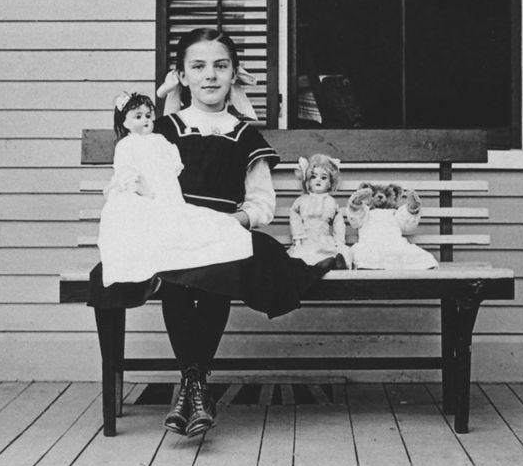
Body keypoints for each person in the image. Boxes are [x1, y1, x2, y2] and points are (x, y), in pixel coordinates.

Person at [88, 28, 333, 438]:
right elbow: (135, 176)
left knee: (217, 264)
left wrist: (228, 223)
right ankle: (196, 385)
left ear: (234, 74)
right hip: (171, 230)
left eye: (220, 66)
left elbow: (261, 205)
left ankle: (192, 385)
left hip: (223, 230)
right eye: (197, 67)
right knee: (185, 269)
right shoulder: (161, 130)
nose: (210, 76)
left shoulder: (244, 135)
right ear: (182, 76)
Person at [97, 91, 253, 286]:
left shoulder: (160, 140)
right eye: (138, 117)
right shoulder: (126, 145)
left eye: (148, 115)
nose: (145, 120)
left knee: (181, 219)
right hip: (143, 190)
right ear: (125, 123)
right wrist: (139, 187)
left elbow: (172, 166)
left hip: (166, 189)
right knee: (144, 219)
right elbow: (125, 171)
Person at [287, 154, 352, 268]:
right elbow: (295, 217)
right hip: (306, 239)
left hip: (325, 239)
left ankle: (333, 263)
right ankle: (320, 265)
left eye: (323, 177)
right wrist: (298, 236)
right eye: (314, 176)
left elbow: (338, 223)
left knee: (339, 251)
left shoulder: (331, 202)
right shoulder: (301, 200)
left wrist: (339, 241)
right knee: (302, 254)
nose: (318, 180)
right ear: (307, 180)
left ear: (330, 183)